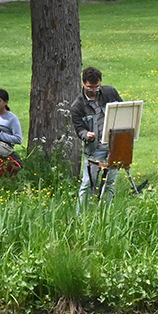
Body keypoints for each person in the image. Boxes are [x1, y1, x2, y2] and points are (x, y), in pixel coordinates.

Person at [68, 66, 122, 209]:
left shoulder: (110, 92)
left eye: (96, 87)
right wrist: (87, 135)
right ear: (83, 83)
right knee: (87, 184)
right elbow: (79, 129)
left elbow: (122, 111)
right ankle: (81, 216)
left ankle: (106, 212)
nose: (93, 90)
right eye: (90, 87)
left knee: (110, 182)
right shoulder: (77, 106)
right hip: (94, 149)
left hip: (112, 146)